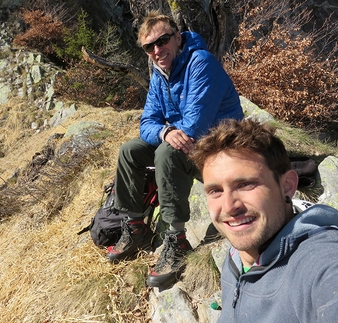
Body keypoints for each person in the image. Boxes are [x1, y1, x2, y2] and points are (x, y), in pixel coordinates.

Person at [105, 10, 244, 289]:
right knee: (131, 150)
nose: (157, 50)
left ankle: (176, 239)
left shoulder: (200, 63)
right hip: (192, 146)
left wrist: (169, 134)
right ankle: (135, 227)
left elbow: (196, 125)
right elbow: (147, 123)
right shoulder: (160, 76)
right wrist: (165, 131)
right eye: (149, 46)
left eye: (163, 40)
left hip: (221, 149)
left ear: (178, 38)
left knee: (166, 153)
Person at [190, 118, 338, 322]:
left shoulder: (322, 261)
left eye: (246, 184)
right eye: (215, 190)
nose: (229, 206)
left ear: (287, 186)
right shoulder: (235, 257)